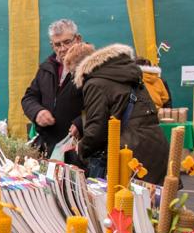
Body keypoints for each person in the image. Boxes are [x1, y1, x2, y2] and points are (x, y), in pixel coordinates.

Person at [73, 43, 169, 185]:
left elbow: (96, 130)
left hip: (128, 155)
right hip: (155, 146)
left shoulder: (94, 83)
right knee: (154, 203)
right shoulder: (127, 74)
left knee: (123, 204)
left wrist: (81, 147)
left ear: (80, 69)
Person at [21, 19, 84, 164]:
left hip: (78, 149)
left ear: (78, 39)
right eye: (57, 44)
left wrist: (81, 123)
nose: (62, 49)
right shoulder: (46, 68)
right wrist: (37, 112)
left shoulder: (90, 67)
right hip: (48, 147)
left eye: (67, 42)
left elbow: (103, 105)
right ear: (52, 45)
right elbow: (29, 97)